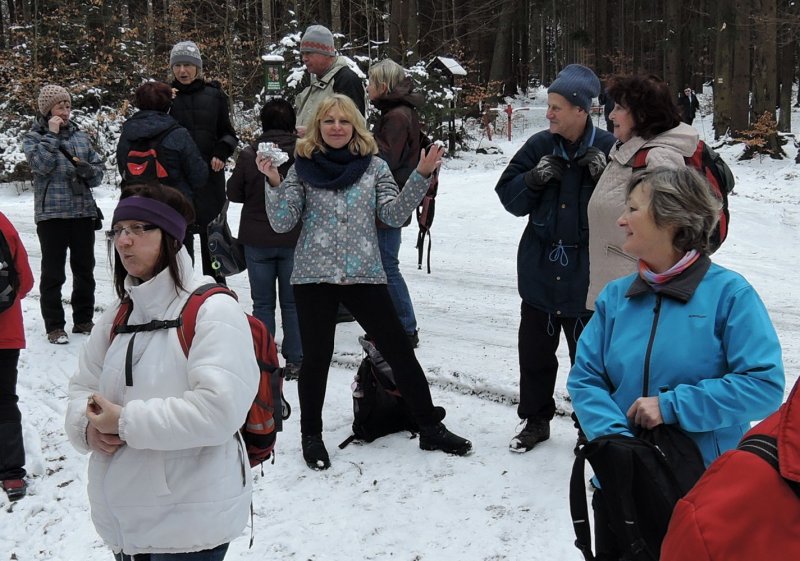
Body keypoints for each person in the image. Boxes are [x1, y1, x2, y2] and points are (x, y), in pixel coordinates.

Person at [567, 167, 785, 561]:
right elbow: (585, 378)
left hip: (705, 489)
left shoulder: (730, 295)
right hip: (621, 483)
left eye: (632, 209)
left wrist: (671, 406)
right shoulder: (616, 297)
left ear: (670, 218)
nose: (620, 220)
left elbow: (764, 386)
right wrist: (620, 445)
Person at [256, 94, 472, 470]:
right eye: (328, 121)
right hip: (314, 277)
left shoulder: (374, 168)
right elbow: (282, 222)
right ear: (318, 127)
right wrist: (273, 181)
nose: (336, 127)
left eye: (344, 121)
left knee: (399, 350)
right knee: (316, 360)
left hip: (364, 274)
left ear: (355, 126)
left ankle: (429, 427)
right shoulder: (301, 169)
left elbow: (391, 213)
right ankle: (312, 436)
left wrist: (420, 177)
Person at [64, 182, 259, 560]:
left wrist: (124, 422)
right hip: (126, 526)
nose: (124, 242)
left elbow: (218, 411)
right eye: (119, 230)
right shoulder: (118, 316)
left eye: (140, 229)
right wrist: (86, 428)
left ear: (170, 237)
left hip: (190, 528)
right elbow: (81, 388)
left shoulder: (212, 310)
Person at [494, 64, 615, 453]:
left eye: (556, 107)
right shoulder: (538, 146)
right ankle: (535, 420)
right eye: (549, 106)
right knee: (535, 355)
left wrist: (606, 178)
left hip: (588, 278)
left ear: (581, 110)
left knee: (590, 361)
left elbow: (631, 212)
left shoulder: (612, 149)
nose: (548, 114)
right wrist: (533, 179)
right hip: (540, 272)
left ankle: (590, 425)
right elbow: (509, 199)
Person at [586, 74, 699, 307]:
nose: (611, 115)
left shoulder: (659, 157)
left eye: (619, 108)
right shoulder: (626, 152)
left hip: (638, 297)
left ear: (642, 114)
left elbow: (673, 232)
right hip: (617, 290)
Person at [661, 377, 800, 561]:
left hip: (703, 471)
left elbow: (764, 387)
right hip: (628, 469)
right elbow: (607, 386)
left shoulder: (710, 522)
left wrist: (672, 405)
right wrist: (616, 432)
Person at [226, 98, 303, 379]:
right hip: (294, 237)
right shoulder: (303, 152)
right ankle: (295, 359)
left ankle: (264, 358)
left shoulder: (250, 155)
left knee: (263, 303)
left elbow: (233, 194)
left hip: (256, 238)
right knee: (293, 303)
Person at [22, 84, 105, 345]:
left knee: (84, 270)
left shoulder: (81, 137)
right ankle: (55, 326)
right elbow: (41, 166)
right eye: (60, 106)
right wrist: (52, 134)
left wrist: (88, 170)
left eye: (68, 105)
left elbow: (100, 172)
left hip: (82, 212)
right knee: (53, 272)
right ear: (48, 110)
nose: (66, 111)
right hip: (52, 215)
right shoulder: (33, 138)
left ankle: (83, 320)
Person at [169, 40, 239, 281]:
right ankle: (183, 298)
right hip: (179, 184)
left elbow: (229, 133)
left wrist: (221, 152)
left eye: (188, 65)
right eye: (177, 66)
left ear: (197, 67)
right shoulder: (166, 98)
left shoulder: (214, 95)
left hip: (211, 180)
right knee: (181, 247)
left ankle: (217, 294)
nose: (182, 71)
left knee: (214, 244)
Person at [367, 58, 425, 346]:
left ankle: (404, 327)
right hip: (394, 196)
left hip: (390, 198)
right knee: (383, 265)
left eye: (371, 82)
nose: (367, 88)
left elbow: (384, 158)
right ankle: (393, 325)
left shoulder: (397, 117)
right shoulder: (398, 112)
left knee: (386, 265)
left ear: (383, 85)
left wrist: (359, 141)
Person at [116, 81, 208, 202]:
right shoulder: (178, 133)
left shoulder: (127, 133)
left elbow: (123, 167)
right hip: (173, 205)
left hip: (135, 202)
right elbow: (199, 176)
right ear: (168, 104)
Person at [0, 212, 34, 501]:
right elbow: (25, 281)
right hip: (5, 332)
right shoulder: (2, 222)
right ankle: (11, 474)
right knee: (4, 400)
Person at [294, 24, 366, 135]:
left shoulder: (345, 80)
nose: (304, 59)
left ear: (326, 53)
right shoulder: (318, 81)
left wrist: (311, 133)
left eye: (308, 53)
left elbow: (355, 128)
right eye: (302, 54)